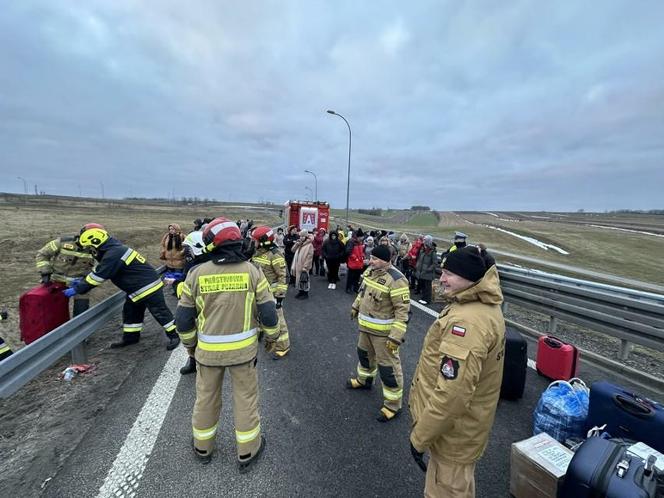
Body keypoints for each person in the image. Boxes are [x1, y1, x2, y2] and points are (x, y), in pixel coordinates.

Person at [175, 217, 279, 469]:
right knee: (245, 399)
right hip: (243, 354)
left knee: (206, 399)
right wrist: (272, 338)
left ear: (211, 244)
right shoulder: (252, 271)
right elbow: (268, 313)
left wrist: (190, 346)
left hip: (208, 354)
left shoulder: (196, 274)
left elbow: (183, 319)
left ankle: (203, 447)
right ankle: (248, 451)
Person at [409, 247, 505, 498]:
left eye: (449, 273)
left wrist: (419, 438)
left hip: (452, 435)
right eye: (442, 271)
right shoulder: (481, 306)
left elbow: (453, 395)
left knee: (447, 489)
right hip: (464, 429)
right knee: (459, 487)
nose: (441, 278)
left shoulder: (468, 322)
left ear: (471, 278)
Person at [67, 224, 180, 350]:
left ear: (95, 241)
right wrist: (83, 281)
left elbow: (99, 276)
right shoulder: (112, 250)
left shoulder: (113, 254)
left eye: (89, 246)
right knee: (131, 312)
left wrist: (78, 289)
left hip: (147, 287)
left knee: (160, 312)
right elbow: (100, 269)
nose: (89, 250)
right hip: (137, 288)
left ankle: (176, 335)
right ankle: (130, 338)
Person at [347, 245, 410, 422]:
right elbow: (363, 292)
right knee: (364, 355)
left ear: (386, 260)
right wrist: (355, 306)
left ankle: (393, 405)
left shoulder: (397, 280)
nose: (371, 261)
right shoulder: (370, 271)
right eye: (371, 257)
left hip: (384, 336)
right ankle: (364, 380)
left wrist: (396, 336)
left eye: (375, 259)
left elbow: (402, 312)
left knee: (388, 369)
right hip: (365, 328)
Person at [251, 226, 291, 359]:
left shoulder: (275, 254)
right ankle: (264, 334)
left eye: (255, 240)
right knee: (259, 315)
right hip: (260, 293)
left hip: (272, 295)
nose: (253, 243)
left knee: (278, 319)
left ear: (263, 241)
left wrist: (279, 298)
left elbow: (283, 276)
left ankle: (283, 346)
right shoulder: (258, 253)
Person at [35, 231, 96, 316]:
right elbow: (43, 254)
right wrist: (45, 272)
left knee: (81, 310)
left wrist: (87, 282)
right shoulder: (62, 242)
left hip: (81, 282)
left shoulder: (97, 250)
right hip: (57, 281)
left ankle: (78, 327)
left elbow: (101, 268)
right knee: (55, 310)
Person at [177, 230, 212, 375]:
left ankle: (202, 360)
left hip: (203, 307)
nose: (185, 252)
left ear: (197, 248)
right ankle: (193, 360)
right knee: (192, 331)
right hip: (191, 304)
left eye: (188, 248)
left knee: (202, 333)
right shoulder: (192, 264)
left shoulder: (206, 267)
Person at [291, 230, 314, 299]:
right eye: (300, 236)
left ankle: (305, 293)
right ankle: (300, 292)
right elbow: (292, 250)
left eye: (303, 236)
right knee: (299, 279)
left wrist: (305, 267)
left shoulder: (309, 245)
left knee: (304, 279)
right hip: (298, 264)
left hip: (304, 266)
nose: (301, 237)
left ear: (306, 236)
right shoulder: (300, 243)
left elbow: (309, 257)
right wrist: (297, 244)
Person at [415, 235, 438, 305]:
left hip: (428, 273)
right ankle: (423, 298)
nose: (423, 241)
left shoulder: (432, 252)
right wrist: (417, 266)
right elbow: (419, 259)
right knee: (423, 286)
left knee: (427, 287)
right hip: (422, 272)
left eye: (425, 240)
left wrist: (428, 269)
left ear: (428, 241)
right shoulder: (423, 250)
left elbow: (434, 263)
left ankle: (427, 300)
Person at [345, 228, 365, 294]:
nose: (362, 239)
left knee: (357, 276)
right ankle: (348, 288)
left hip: (359, 262)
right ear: (358, 236)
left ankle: (355, 288)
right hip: (353, 262)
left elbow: (361, 251)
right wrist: (355, 257)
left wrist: (362, 255)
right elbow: (348, 251)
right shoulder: (351, 242)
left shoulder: (360, 242)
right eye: (361, 237)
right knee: (350, 276)